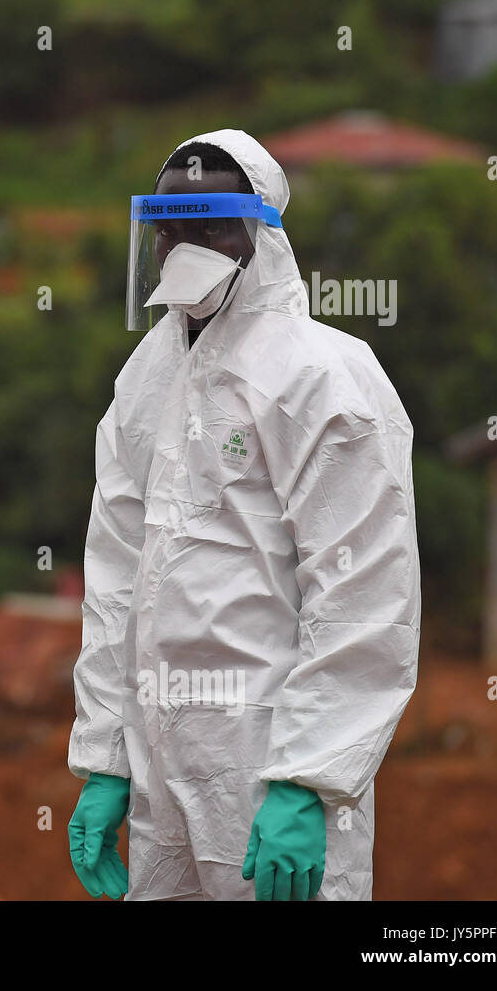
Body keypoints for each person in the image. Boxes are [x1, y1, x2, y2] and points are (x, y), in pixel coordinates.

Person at [67, 129, 420, 901]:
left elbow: (363, 591)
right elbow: (116, 576)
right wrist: (105, 755)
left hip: (269, 762)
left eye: (211, 225)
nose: (183, 244)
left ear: (260, 234)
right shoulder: (145, 379)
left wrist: (307, 776)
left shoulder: (325, 374)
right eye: (169, 224)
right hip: (162, 764)